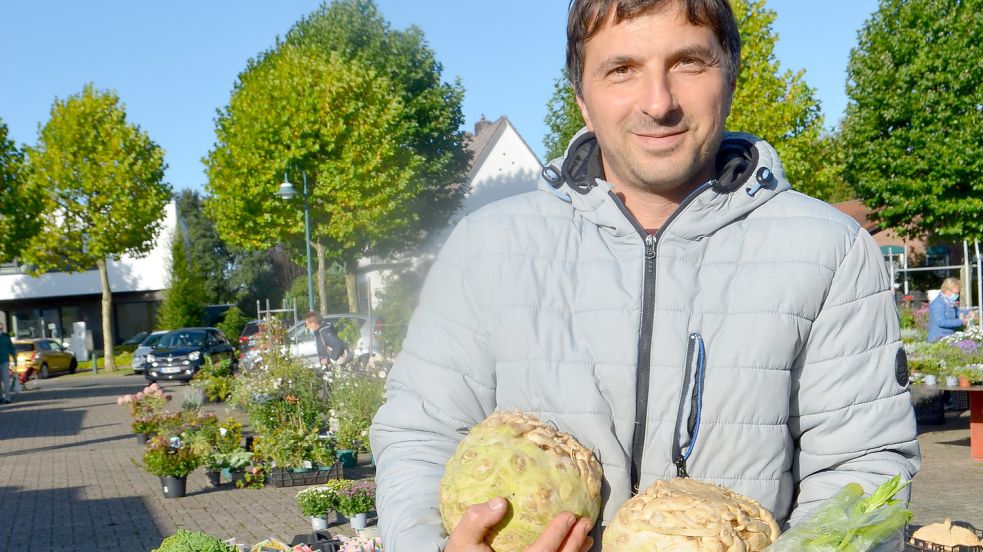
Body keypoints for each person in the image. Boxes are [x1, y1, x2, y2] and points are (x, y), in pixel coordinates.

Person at [370, 1, 920, 550]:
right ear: (583, 100)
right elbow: (422, 436)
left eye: (688, 63)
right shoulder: (484, 248)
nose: (658, 103)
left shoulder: (829, 250)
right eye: (621, 69)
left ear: (728, 79)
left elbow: (863, 469)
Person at [927, 277, 975, 342]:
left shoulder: (948, 302)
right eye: (955, 293)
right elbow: (941, 322)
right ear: (947, 290)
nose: (957, 295)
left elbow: (957, 312)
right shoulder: (938, 303)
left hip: (948, 337)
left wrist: (967, 312)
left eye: (958, 293)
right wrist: (961, 322)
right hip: (938, 339)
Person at [0, 321, 16, 404]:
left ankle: (7, 398)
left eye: (1, 326)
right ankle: (0, 397)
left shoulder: (6, 336)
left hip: (4, 361)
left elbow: (11, 348)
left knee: (6, 380)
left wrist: (14, 358)